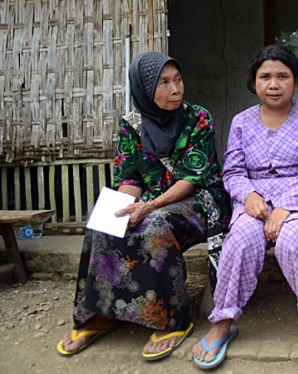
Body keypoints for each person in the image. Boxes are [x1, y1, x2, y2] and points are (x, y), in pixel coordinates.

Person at [56, 52, 232, 360]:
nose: (176, 89)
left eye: (178, 80)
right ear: (144, 89)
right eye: (164, 83)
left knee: (154, 224)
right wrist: (124, 209)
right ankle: (100, 315)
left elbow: (192, 179)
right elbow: (130, 178)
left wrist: (149, 207)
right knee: (103, 222)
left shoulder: (198, 118)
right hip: (151, 201)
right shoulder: (131, 125)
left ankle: (171, 320)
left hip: (200, 202)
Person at [192, 45, 298, 368]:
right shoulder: (242, 122)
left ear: (296, 82)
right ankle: (223, 322)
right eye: (265, 77)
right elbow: (231, 171)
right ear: (254, 83)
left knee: (294, 240)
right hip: (254, 202)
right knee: (240, 240)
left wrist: (285, 207)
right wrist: (249, 196)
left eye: (283, 76)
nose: (274, 84)